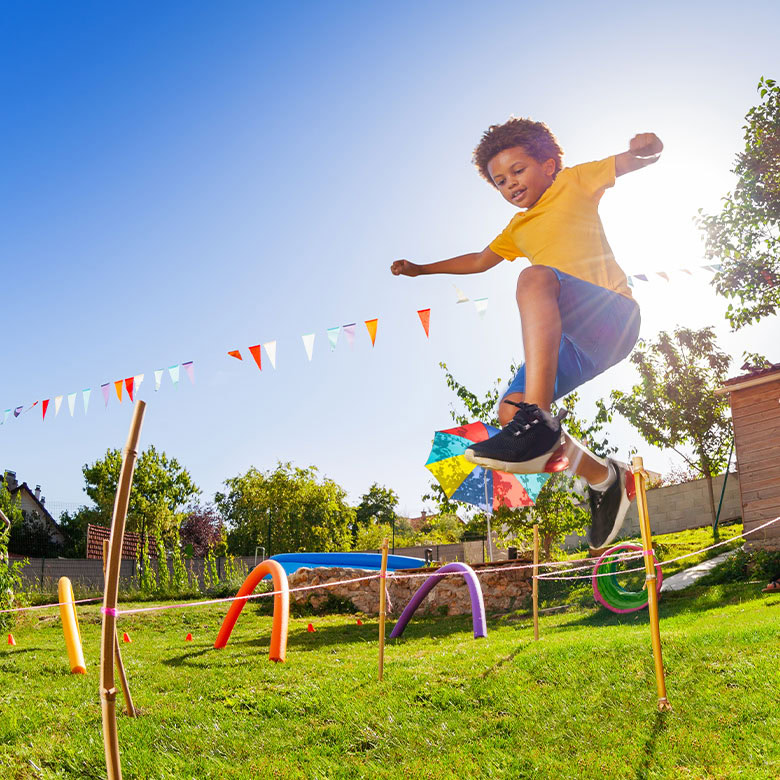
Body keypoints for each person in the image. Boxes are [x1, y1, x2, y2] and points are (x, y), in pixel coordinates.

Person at [391, 117, 663, 549]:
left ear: (549, 166)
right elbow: (479, 260)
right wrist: (422, 269)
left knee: (534, 279)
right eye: (500, 181)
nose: (510, 184)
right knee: (509, 413)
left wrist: (647, 147)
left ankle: (537, 422)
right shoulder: (517, 229)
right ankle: (605, 478)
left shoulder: (574, 182)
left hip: (613, 317)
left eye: (518, 171)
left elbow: (632, 161)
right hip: (576, 344)